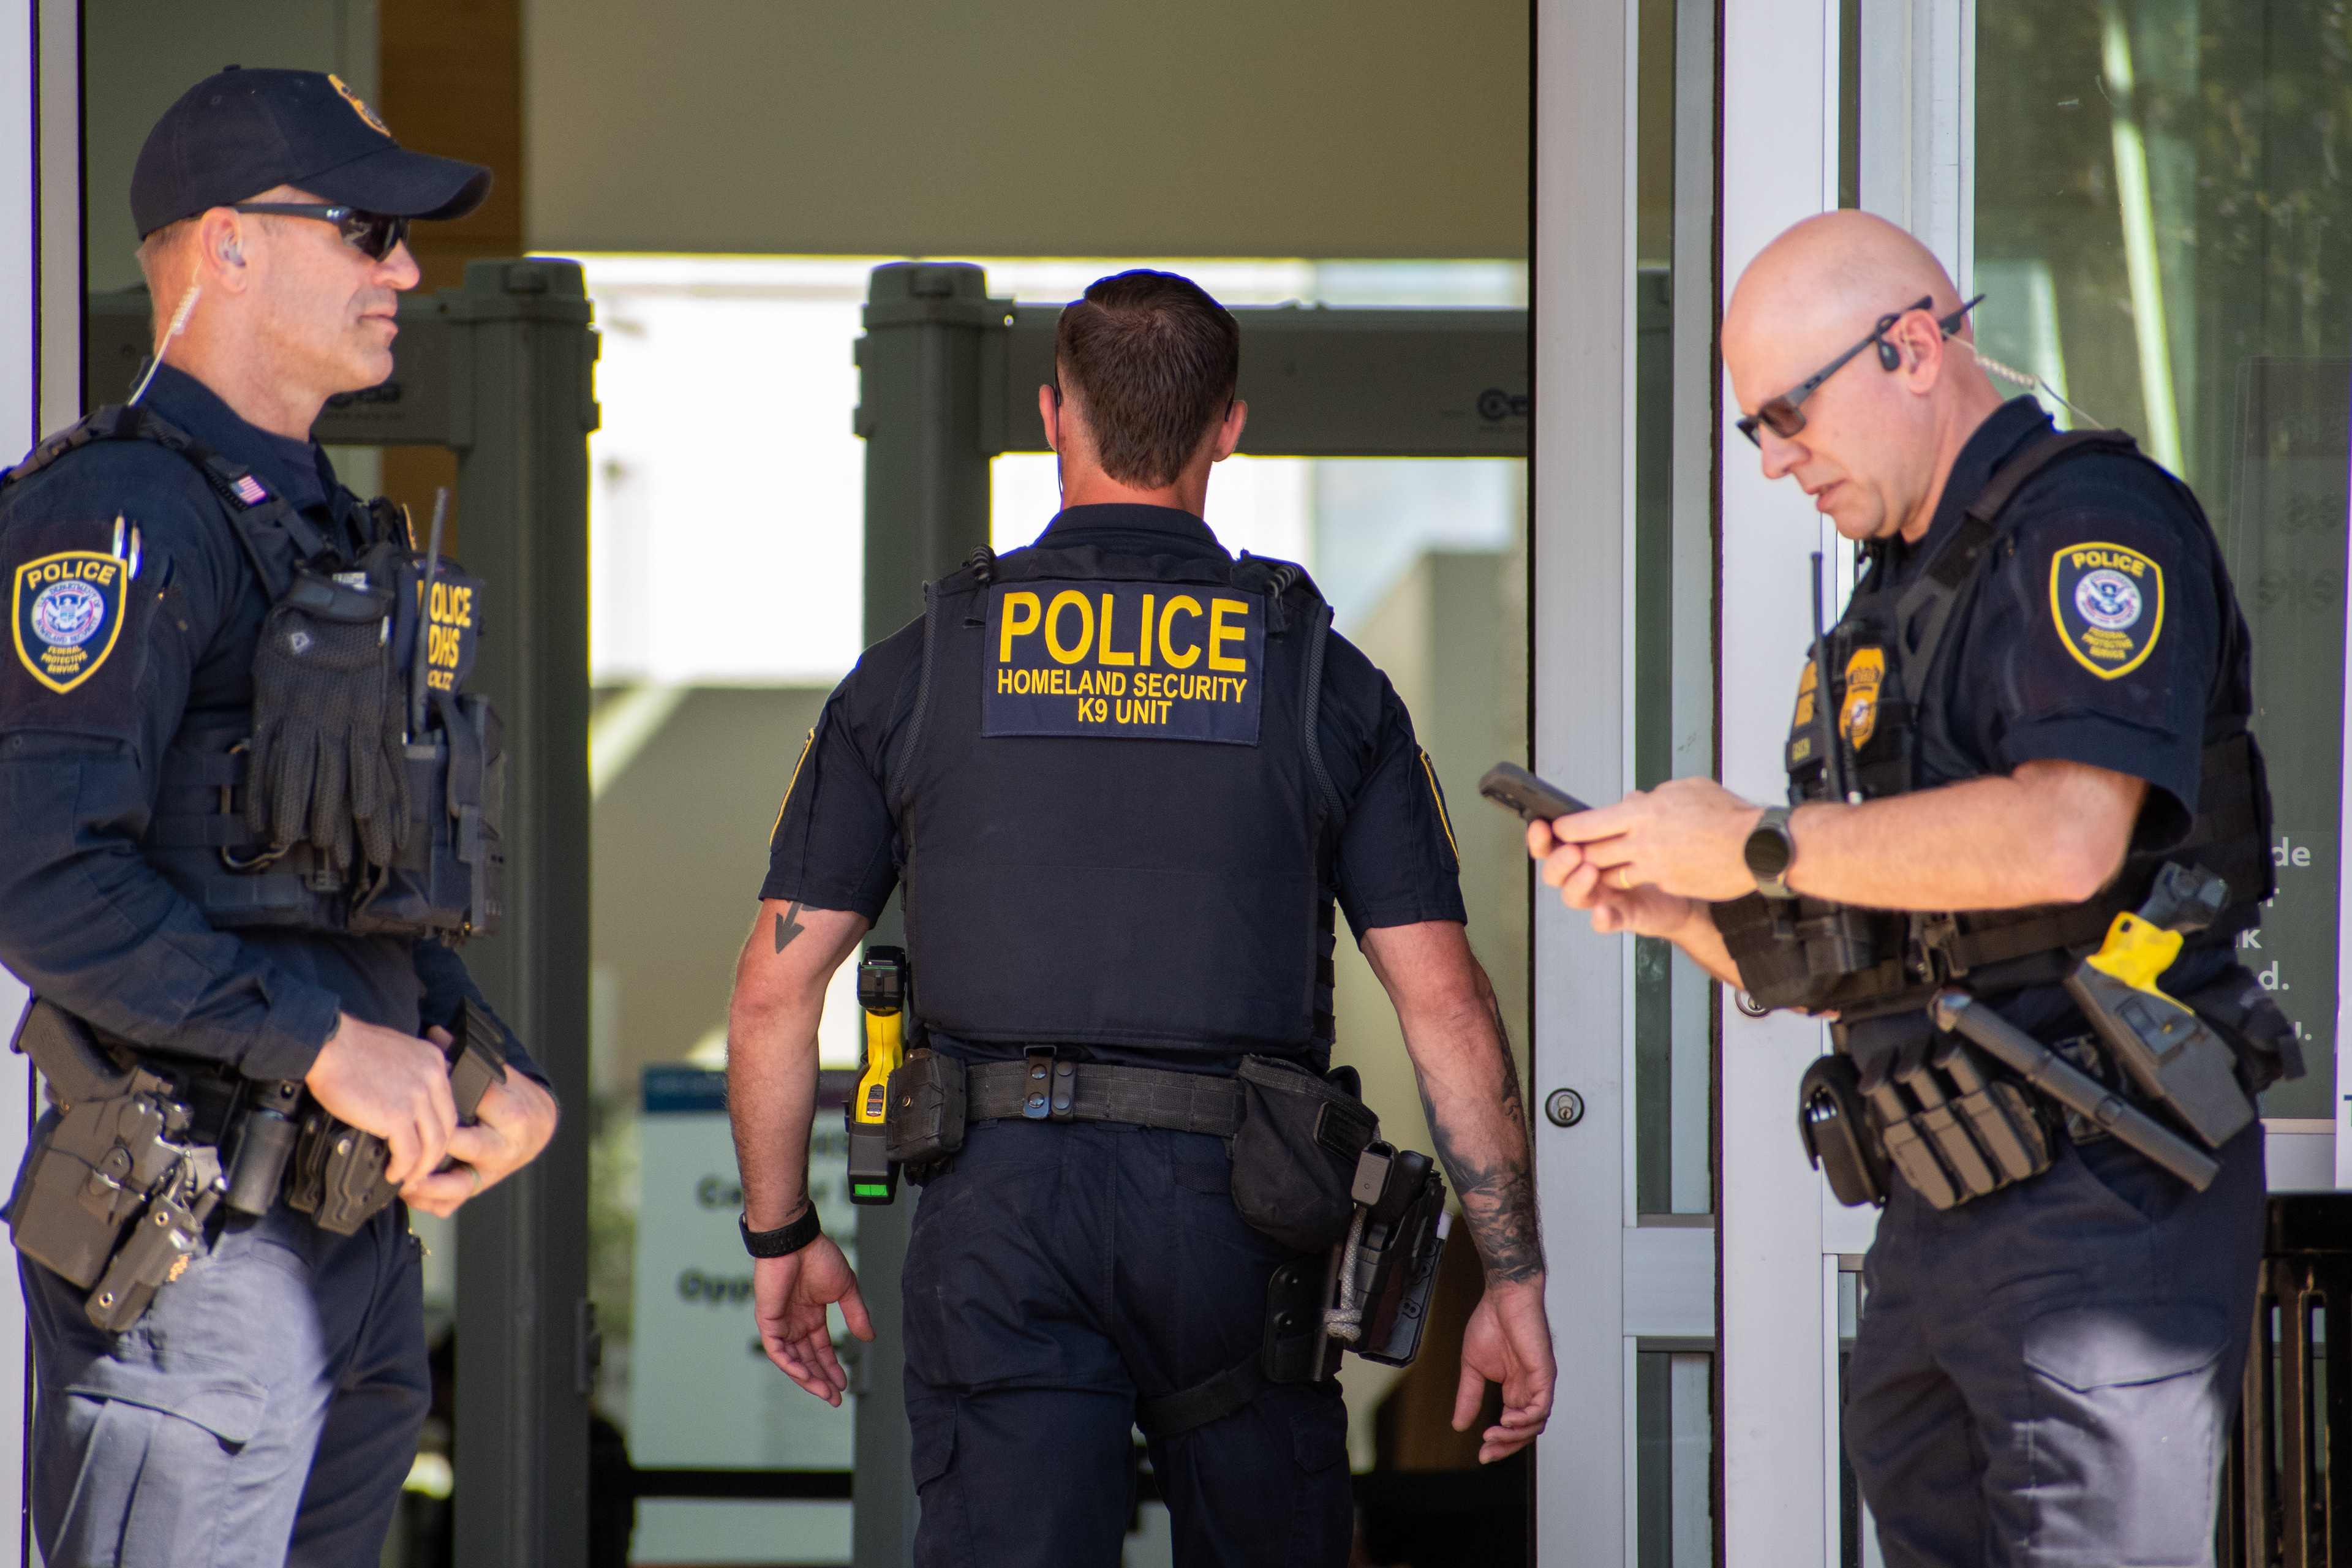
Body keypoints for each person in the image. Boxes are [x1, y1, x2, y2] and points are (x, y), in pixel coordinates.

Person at [727, 270, 1554, 1566]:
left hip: (1002, 1218)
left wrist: (781, 1233)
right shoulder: (1323, 682)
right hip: (1247, 1218)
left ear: (1055, 416)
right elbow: (1445, 999)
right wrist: (1511, 1276)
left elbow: (775, 991)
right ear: (1229, 426)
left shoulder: (919, 671)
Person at [1530, 209, 2286, 1566]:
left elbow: (2066, 838)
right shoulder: (1895, 598)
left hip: (2099, 1200)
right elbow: (1883, 945)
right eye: (1752, 428)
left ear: (1915, 344)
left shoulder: (2086, 526)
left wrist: (1758, 838)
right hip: (1941, 1213)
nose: (1773, 460)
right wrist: (1686, 909)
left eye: (1785, 413)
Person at [0, 67, 559, 1566]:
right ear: (230, 246)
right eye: (367, 229)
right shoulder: (115, 515)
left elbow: (348, 885)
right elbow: (41, 874)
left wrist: (479, 1065)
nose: (404, 271)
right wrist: (325, 1046)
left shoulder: (313, 520)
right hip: (197, 1244)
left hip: (348, 1251)